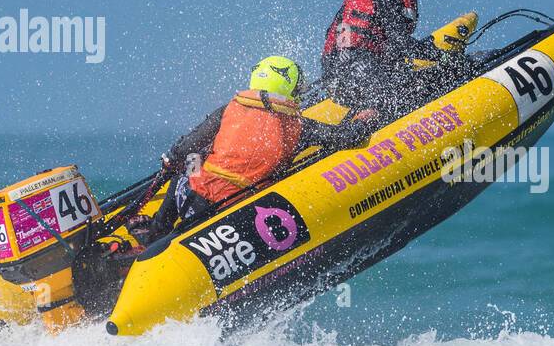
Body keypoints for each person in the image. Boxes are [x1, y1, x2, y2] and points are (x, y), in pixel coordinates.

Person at [130, 56, 377, 243]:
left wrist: (170, 161)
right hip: (236, 211)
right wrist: (365, 119)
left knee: (191, 160)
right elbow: (348, 137)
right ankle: (162, 232)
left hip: (195, 202)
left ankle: (158, 229)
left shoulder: (229, 109)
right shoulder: (297, 126)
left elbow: (186, 147)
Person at [322, 0, 462, 112]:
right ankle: (353, 132)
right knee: (418, 88)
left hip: (336, 71)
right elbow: (400, 42)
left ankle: (367, 120)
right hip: (356, 66)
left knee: (401, 88)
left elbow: (331, 33)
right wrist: (441, 55)